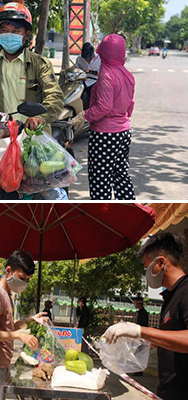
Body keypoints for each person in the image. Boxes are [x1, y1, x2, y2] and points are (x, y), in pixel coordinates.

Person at [0, 2, 64, 200]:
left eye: (15, 30)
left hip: (32, 138)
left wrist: (40, 118)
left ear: (26, 34)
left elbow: (55, 97)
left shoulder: (40, 65)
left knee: (47, 189)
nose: (10, 35)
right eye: (5, 30)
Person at [103, 232, 188, 399]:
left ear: (161, 262)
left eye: (146, 266)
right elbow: (170, 343)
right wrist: (137, 339)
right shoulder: (170, 297)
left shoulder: (185, 292)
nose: (146, 273)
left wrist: (140, 331)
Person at [0, 250, 49, 400]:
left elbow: (8, 327)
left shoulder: (7, 295)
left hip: (1, 365)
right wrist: (17, 335)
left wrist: (31, 320)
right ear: (8, 271)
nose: (24, 283)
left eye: (27, 280)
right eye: (22, 278)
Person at [84, 34, 136, 200]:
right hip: (124, 131)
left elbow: (104, 107)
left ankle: (101, 212)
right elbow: (130, 105)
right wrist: (121, 119)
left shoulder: (106, 74)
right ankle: (127, 209)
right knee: (121, 175)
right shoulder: (127, 74)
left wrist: (83, 116)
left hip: (105, 134)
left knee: (101, 179)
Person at [75, 42, 101, 109]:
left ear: (92, 53)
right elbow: (76, 68)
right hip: (82, 81)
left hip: (94, 81)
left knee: (92, 95)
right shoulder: (79, 58)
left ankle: (91, 110)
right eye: (85, 57)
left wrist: (91, 71)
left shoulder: (99, 59)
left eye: (88, 57)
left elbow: (101, 73)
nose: (87, 59)